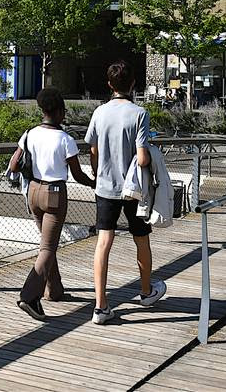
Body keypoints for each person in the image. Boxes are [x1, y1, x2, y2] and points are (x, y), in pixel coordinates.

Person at [86, 60, 166, 324]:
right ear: (133, 84)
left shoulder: (99, 112)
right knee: (141, 239)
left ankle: (101, 306)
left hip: (105, 186)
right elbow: (142, 159)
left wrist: (97, 172)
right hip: (132, 188)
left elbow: (93, 150)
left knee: (103, 242)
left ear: (109, 85)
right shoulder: (139, 113)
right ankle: (145, 292)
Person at [8, 87, 95, 321]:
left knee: (48, 243)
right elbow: (77, 174)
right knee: (47, 248)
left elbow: (15, 164)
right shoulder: (65, 139)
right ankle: (29, 296)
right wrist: (94, 184)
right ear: (59, 112)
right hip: (55, 193)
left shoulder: (30, 133)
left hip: (33, 191)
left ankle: (53, 290)